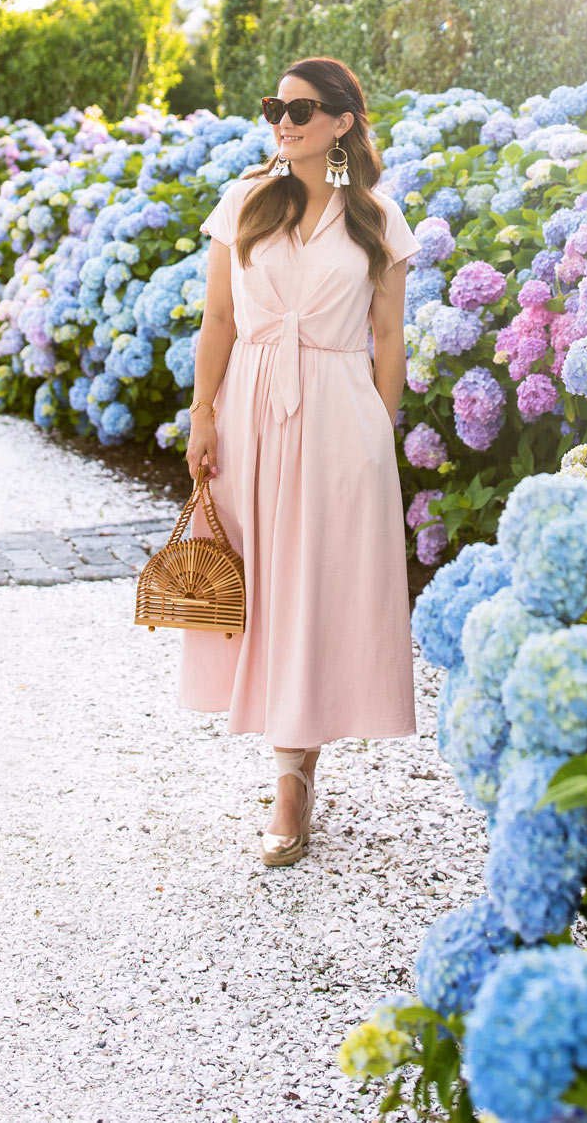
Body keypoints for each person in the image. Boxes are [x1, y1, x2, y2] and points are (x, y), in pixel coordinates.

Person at [178, 55, 420, 867]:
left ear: (344, 122)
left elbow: (389, 338)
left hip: (339, 419)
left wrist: (376, 435)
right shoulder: (245, 201)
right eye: (275, 107)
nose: (284, 121)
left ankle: (292, 779)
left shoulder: (377, 218)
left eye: (303, 110)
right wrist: (202, 414)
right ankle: (291, 768)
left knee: (317, 587)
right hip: (250, 411)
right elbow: (217, 319)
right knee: (265, 586)